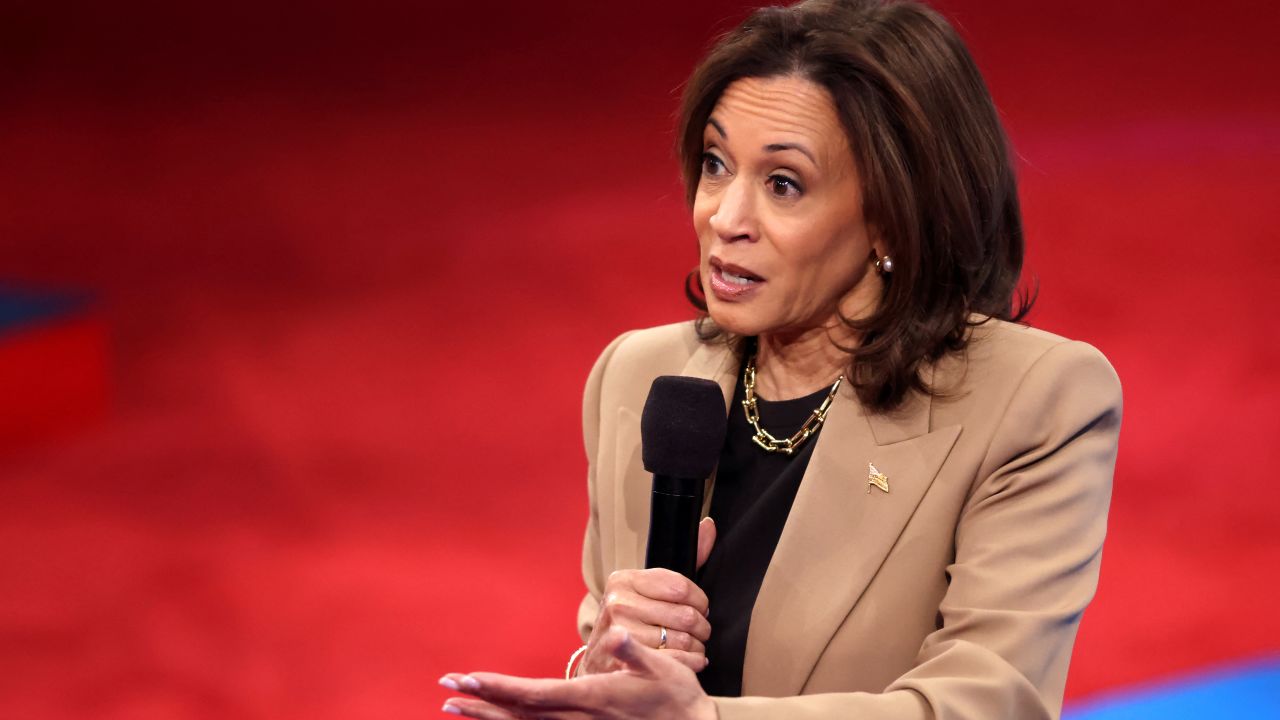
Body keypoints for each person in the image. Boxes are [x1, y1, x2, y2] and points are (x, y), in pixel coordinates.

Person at [440, 0, 1122, 717]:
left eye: (782, 184)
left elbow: (988, 703)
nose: (725, 219)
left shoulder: (1034, 400)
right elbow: (621, 668)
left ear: (893, 214)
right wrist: (600, 673)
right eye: (715, 164)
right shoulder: (638, 377)